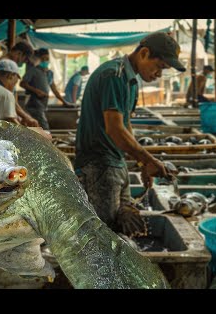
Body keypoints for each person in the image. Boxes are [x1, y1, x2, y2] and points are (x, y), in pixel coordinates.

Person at [74, 32, 186, 232]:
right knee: (103, 231)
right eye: (160, 67)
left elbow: (126, 125)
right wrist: (150, 160)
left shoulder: (130, 80)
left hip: (116, 163)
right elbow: (114, 128)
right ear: (144, 53)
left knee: (124, 221)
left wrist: (142, 163)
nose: (159, 74)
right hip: (99, 164)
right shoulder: (114, 76)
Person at [0, 41, 39, 127]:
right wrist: (26, 117)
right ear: (19, 53)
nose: (24, 63)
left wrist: (19, 115)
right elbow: (8, 98)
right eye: (24, 60)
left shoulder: (4, 62)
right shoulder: (6, 65)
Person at [20, 48, 74, 130]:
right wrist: (36, 91)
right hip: (33, 104)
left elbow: (54, 89)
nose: (45, 61)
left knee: (36, 128)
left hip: (43, 105)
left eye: (47, 59)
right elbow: (22, 83)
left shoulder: (49, 73)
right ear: (39, 59)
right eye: (43, 59)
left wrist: (64, 102)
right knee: (44, 127)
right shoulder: (33, 71)